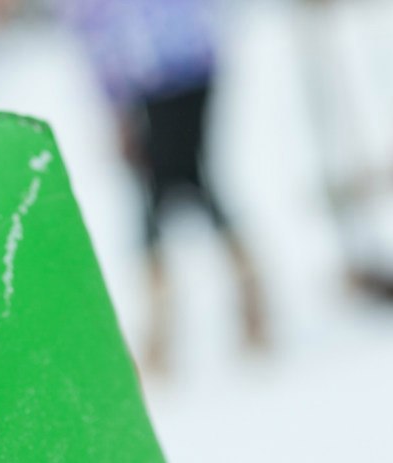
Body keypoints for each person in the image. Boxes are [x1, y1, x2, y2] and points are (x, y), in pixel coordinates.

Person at [60, 0, 267, 372]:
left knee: (163, 192)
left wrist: (113, 100)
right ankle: (245, 303)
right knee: (185, 184)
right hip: (181, 61)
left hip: (157, 67)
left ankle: (167, 331)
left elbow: (91, 25)